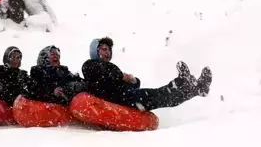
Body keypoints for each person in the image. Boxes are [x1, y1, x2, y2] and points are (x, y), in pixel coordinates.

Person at [81, 37, 212, 111]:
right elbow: (101, 75)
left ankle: (187, 85)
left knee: (160, 94)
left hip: (126, 96)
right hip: (118, 100)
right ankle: (191, 88)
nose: (108, 52)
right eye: (104, 49)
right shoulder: (89, 65)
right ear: (95, 51)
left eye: (109, 50)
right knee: (161, 96)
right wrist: (121, 77)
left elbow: (121, 83)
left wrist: (133, 81)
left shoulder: (112, 68)